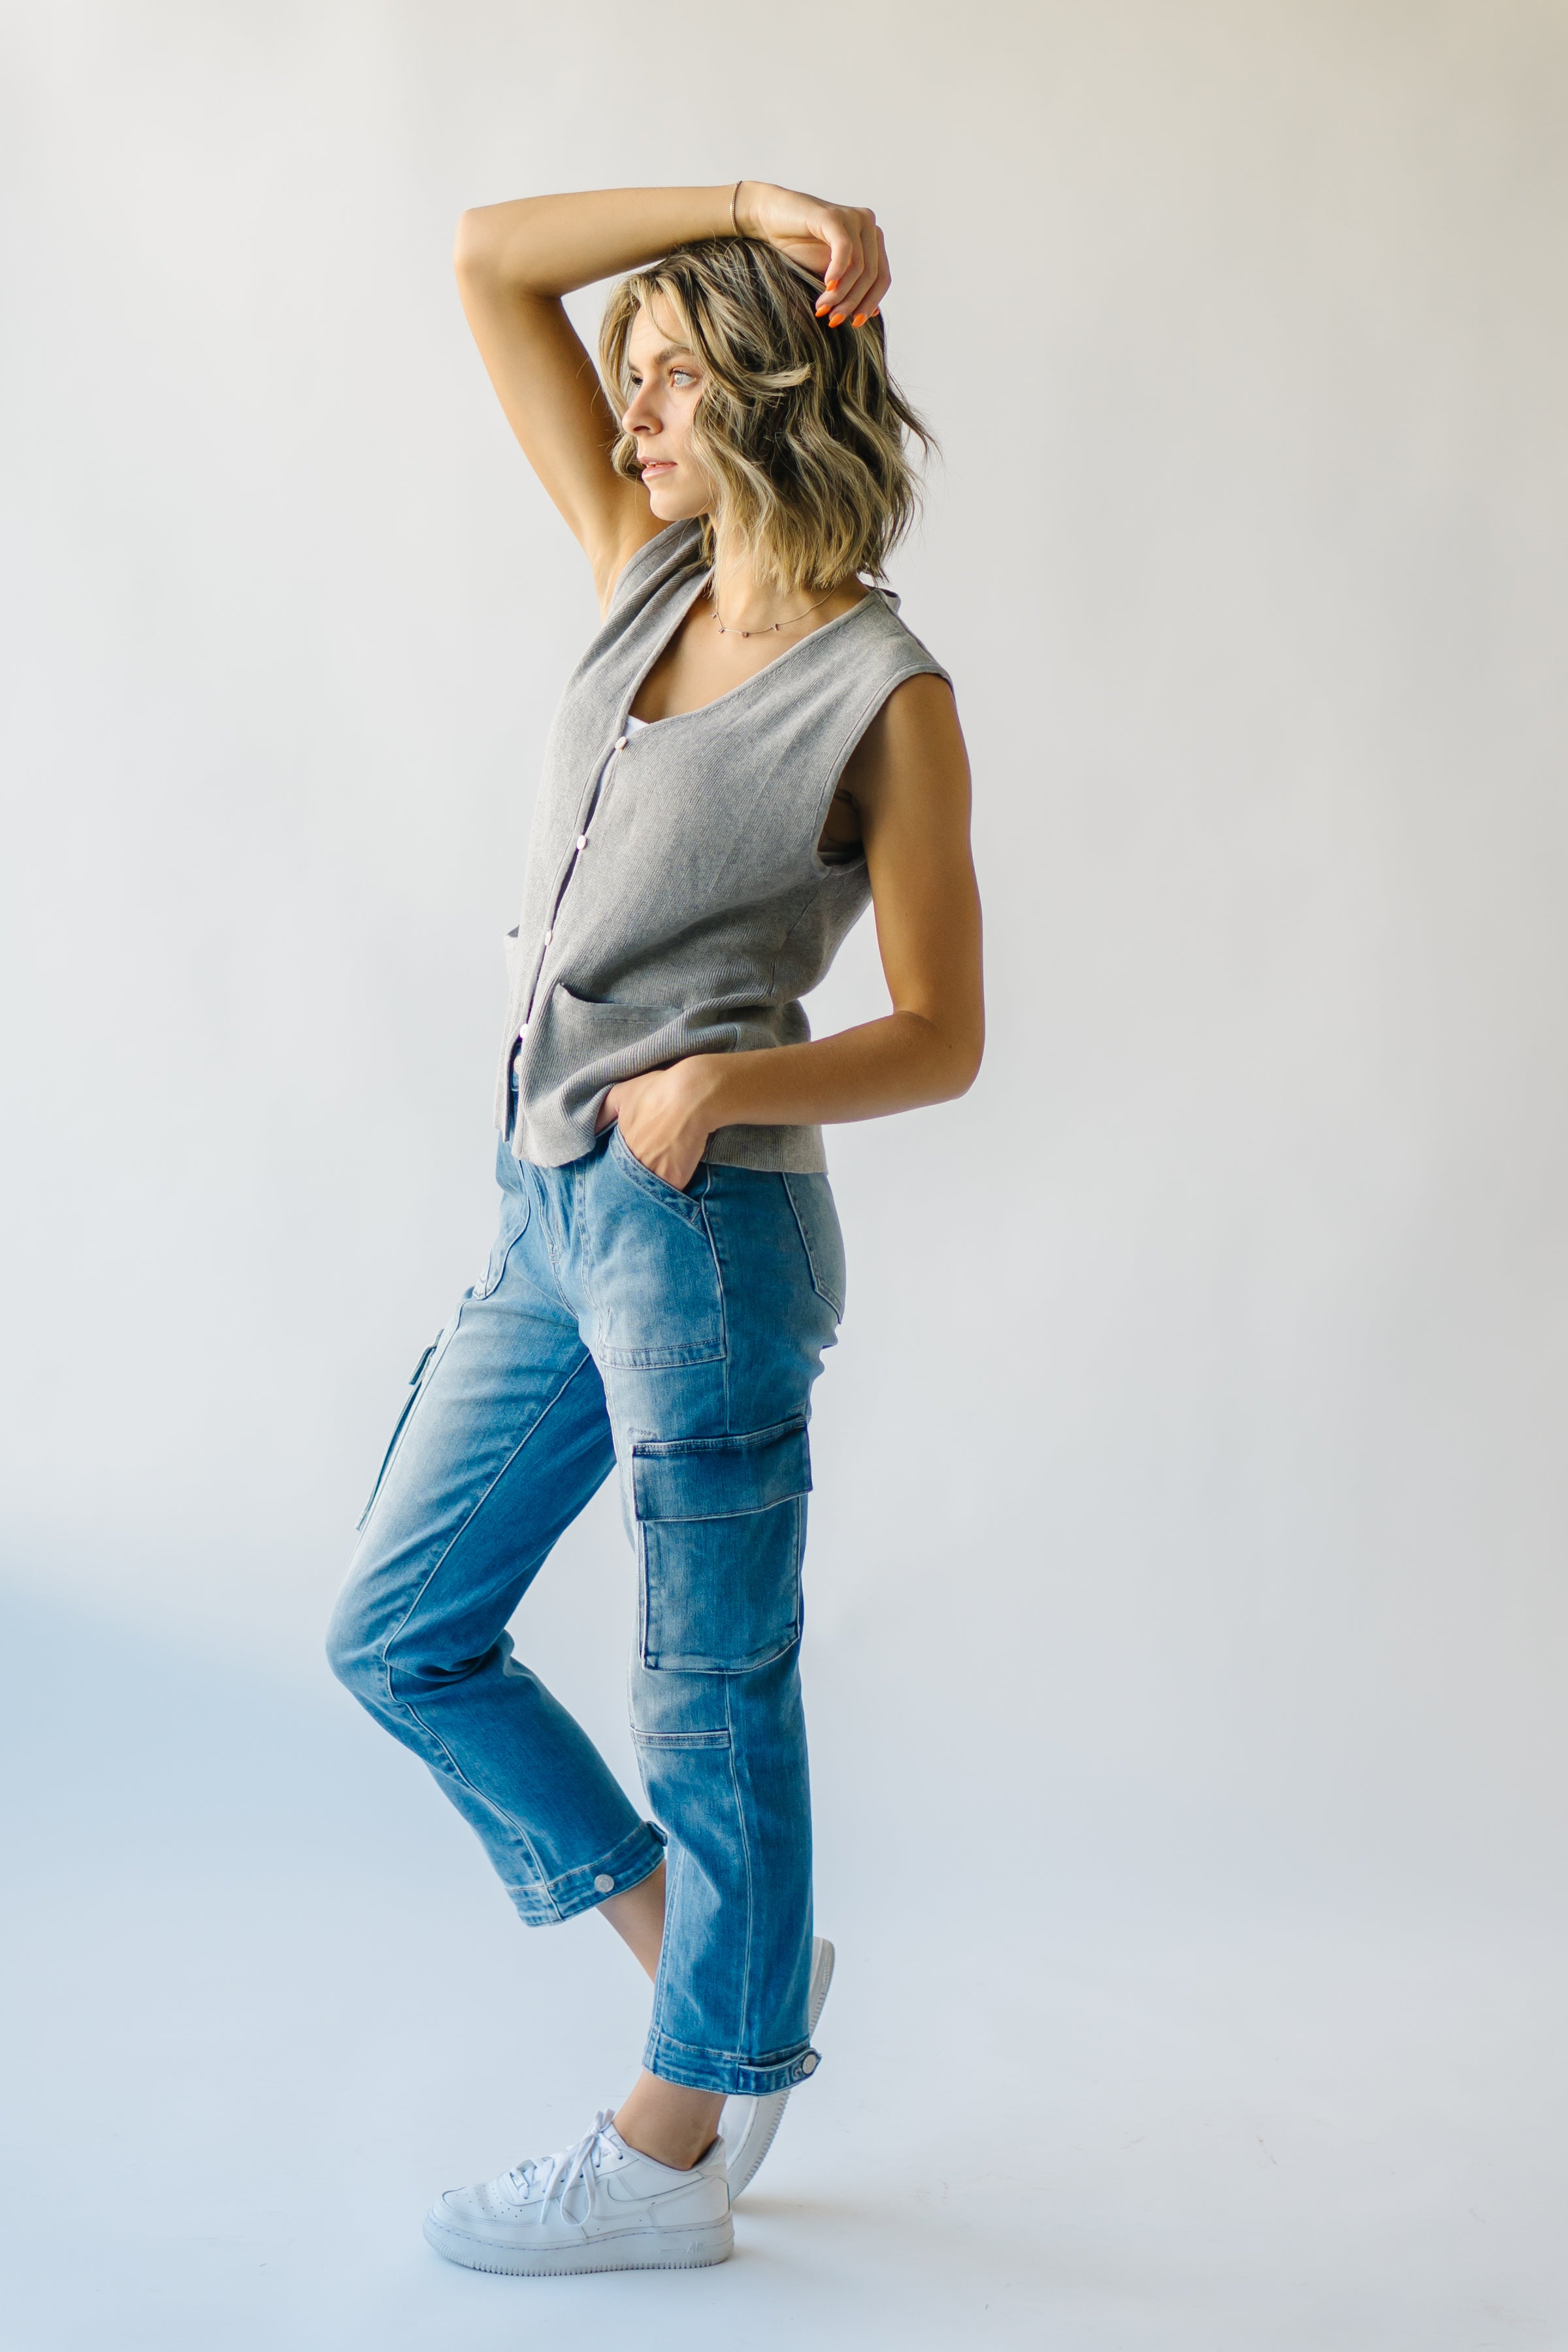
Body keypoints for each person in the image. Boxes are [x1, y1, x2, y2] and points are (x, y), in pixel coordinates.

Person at [326, 178, 983, 2278]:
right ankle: (724, 1975)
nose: (631, 421)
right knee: (399, 1628)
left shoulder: (884, 693)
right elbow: (485, 256)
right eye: (628, 384)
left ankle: (671, 2154)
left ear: (774, 388)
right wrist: (745, 201)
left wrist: (722, 1087)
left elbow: (948, 1034)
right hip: (542, 1210)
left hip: (705, 1235)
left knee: (709, 1693)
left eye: (674, 379)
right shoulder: (642, 571)